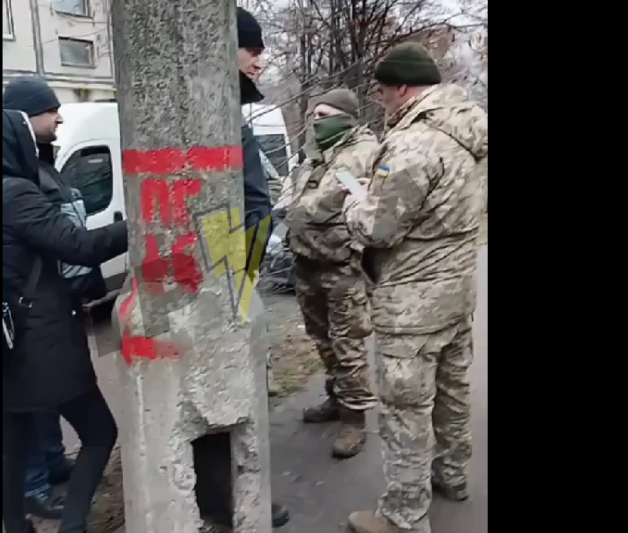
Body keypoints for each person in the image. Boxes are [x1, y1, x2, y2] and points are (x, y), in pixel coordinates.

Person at [342, 43, 488, 533]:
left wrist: (353, 203)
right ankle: (452, 474)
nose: (382, 100)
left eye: (383, 91)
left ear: (401, 88)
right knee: (452, 391)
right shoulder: (471, 129)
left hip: (412, 306)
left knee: (406, 408)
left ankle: (404, 516)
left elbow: (378, 230)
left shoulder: (413, 144)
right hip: (457, 291)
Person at [2, 109, 128, 533]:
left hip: (8, 340)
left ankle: (17, 525)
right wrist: (142, 224)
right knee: (99, 432)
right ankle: (73, 526)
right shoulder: (15, 193)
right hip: (42, 339)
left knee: (14, 443)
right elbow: (78, 246)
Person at [284, 88, 380, 459]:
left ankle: (354, 420)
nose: (316, 122)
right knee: (322, 341)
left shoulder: (363, 154)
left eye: (323, 115)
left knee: (348, 345)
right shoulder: (315, 155)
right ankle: (336, 398)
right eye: (313, 115)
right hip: (307, 263)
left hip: (341, 268)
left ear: (345, 116)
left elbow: (364, 205)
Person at [236, 7, 289, 527]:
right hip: (224, 279)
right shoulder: (209, 111)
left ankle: (236, 492)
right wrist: (240, 277)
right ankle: (232, 498)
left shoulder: (229, 109)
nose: (261, 57)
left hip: (235, 276)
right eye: (253, 47)